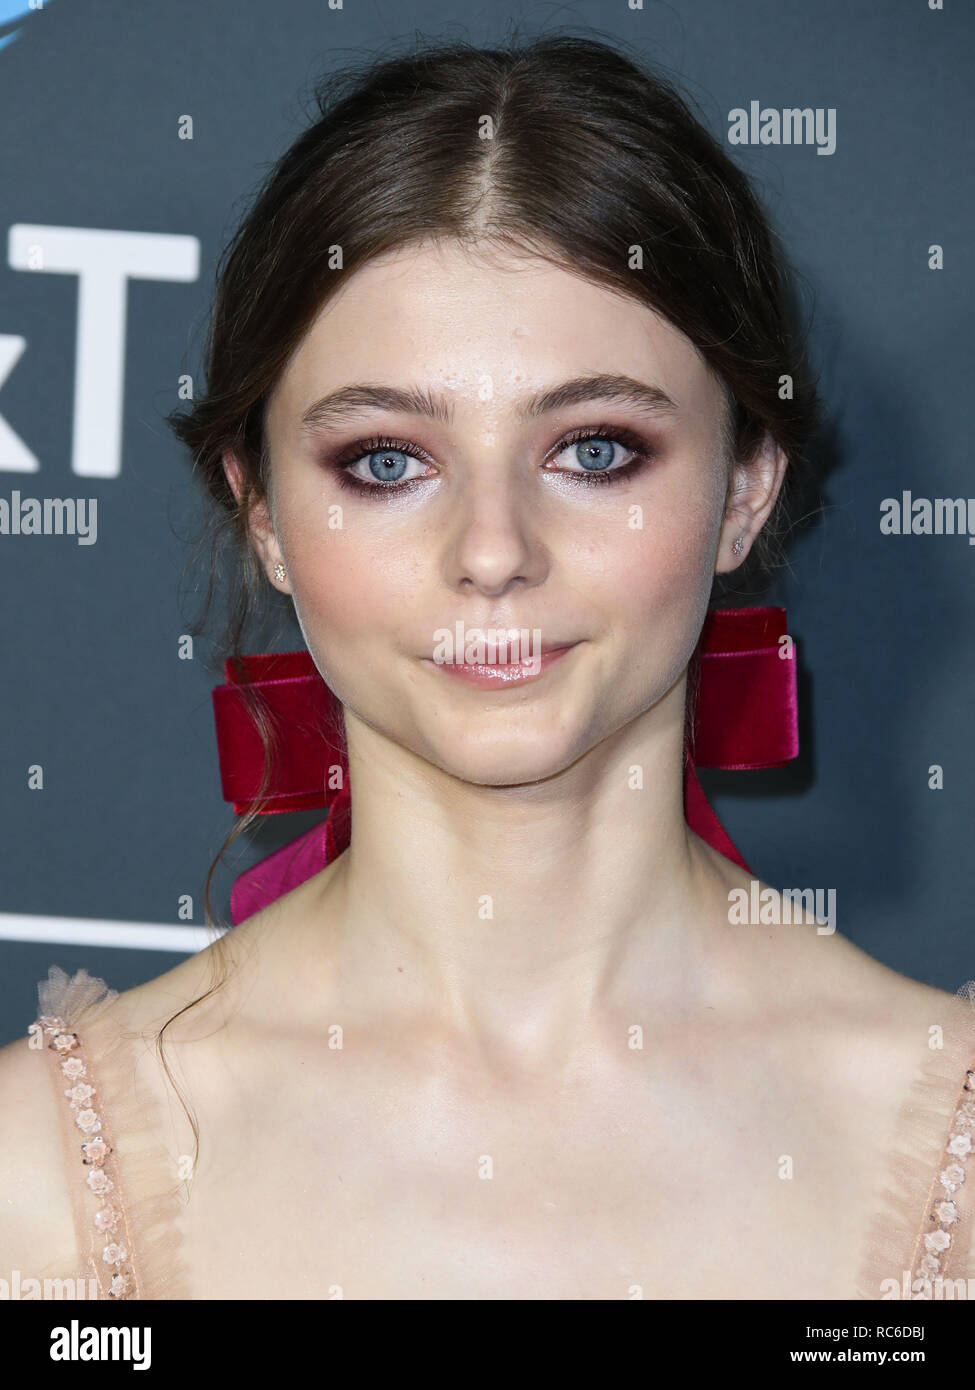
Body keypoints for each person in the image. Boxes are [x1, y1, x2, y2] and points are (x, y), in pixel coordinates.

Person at [2, 33, 973, 1302]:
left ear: (745, 490)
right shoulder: (34, 1179)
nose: (494, 550)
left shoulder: (943, 1122)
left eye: (597, 450)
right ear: (262, 516)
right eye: (388, 461)